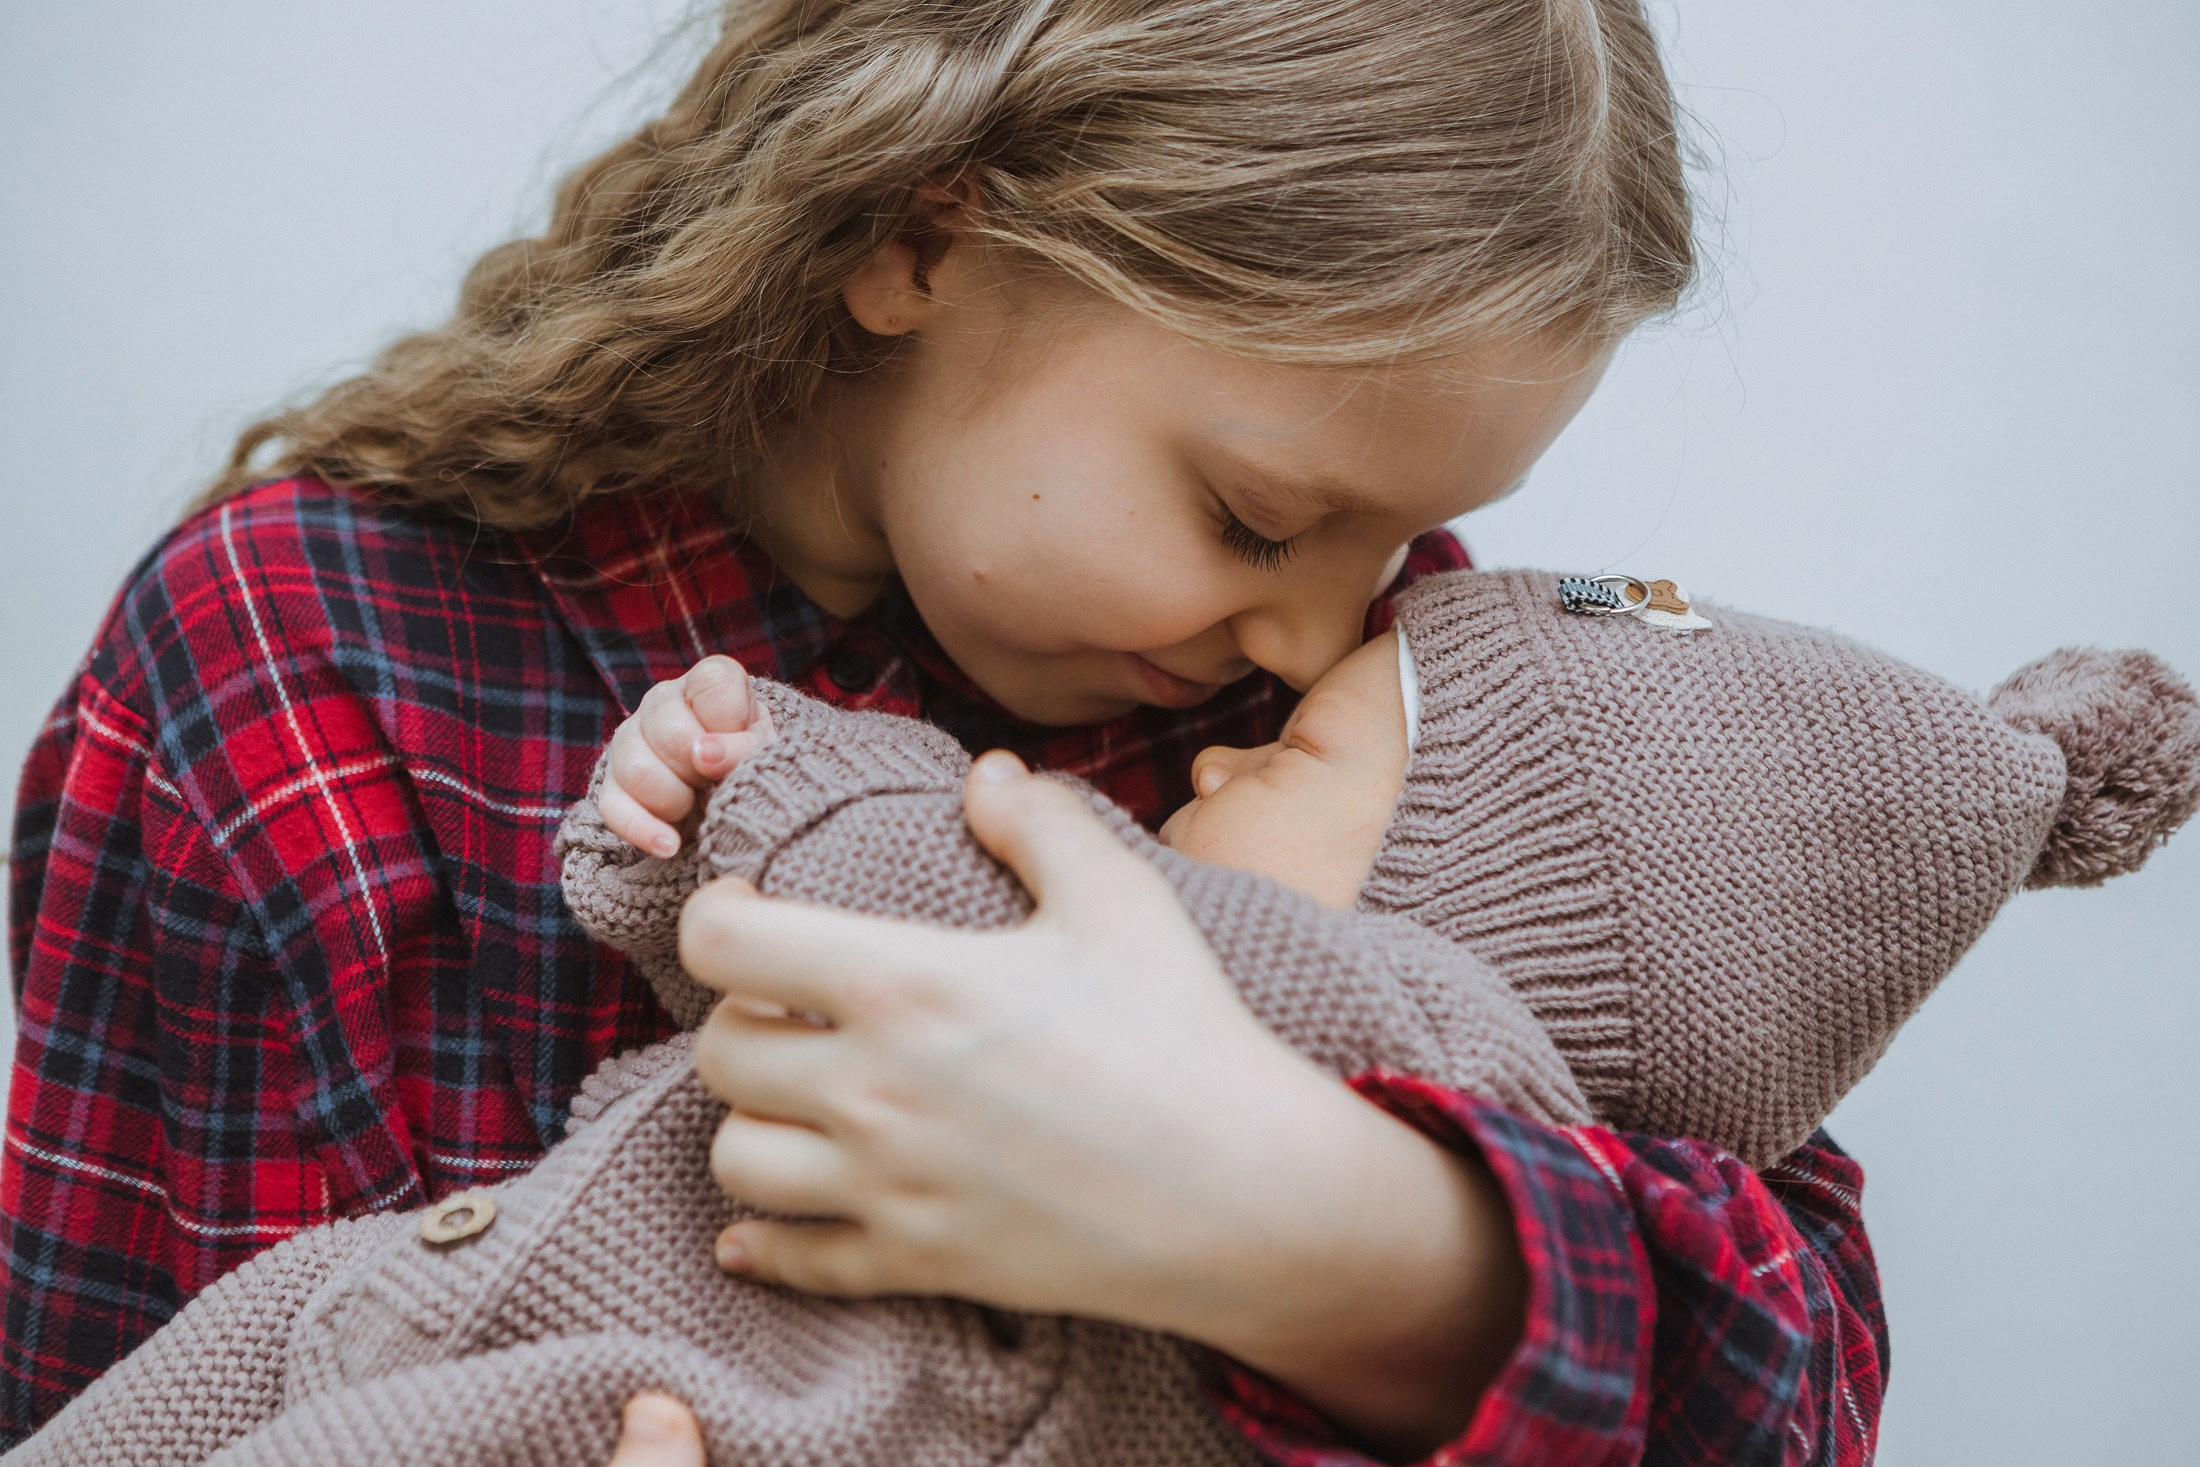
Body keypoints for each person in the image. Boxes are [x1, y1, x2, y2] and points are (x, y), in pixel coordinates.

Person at [3, 1, 1881, 1460]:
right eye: (1255, 517)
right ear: (923, 237)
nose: (1329, 625)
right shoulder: (297, 663)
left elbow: (1804, 1366)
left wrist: (1344, 1239)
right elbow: (149, 1397)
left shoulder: (1389, 694)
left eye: (1400, 537)